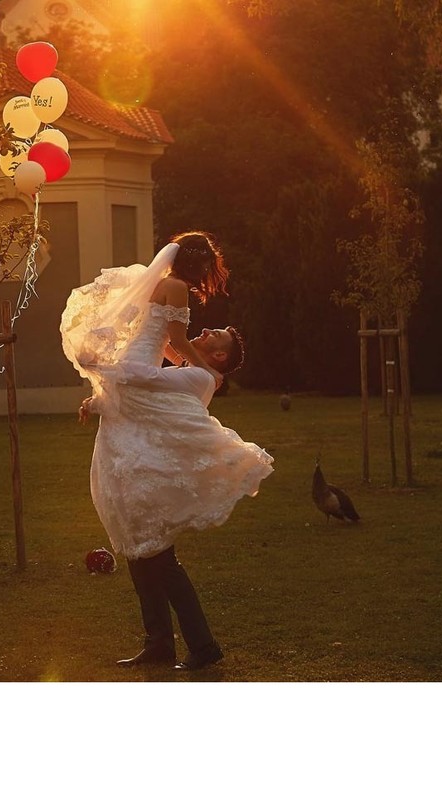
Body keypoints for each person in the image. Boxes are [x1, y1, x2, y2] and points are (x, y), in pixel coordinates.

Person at [61, 233, 273, 671]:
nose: (207, 331)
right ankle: (160, 642)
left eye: (216, 340)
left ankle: (197, 644)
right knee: (142, 550)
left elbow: (161, 362)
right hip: (130, 437)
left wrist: (118, 371)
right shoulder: (175, 299)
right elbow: (169, 354)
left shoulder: (197, 370)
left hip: (145, 446)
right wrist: (103, 393)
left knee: (156, 553)